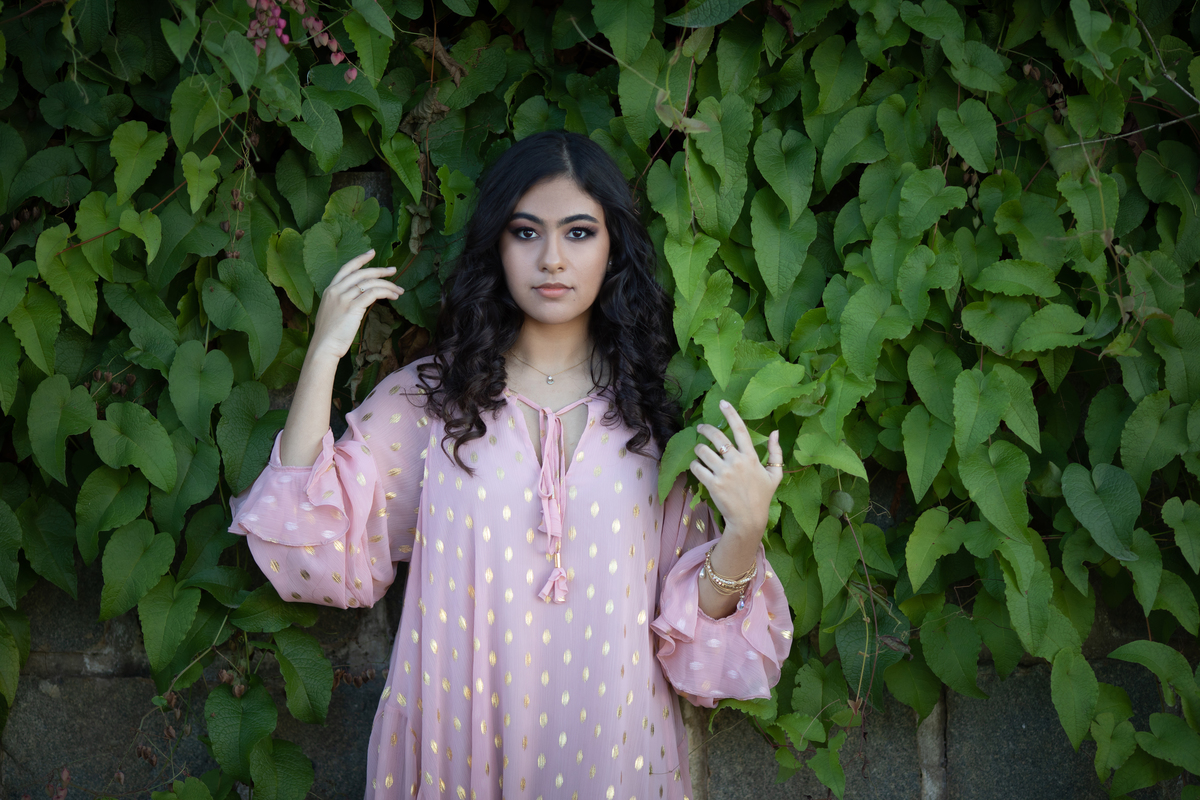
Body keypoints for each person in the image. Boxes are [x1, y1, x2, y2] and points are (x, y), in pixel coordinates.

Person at [229, 131, 793, 800]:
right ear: (497, 246)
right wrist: (323, 354)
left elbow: (698, 649)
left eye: (579, 233)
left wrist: (745, 531)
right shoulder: (432, 403)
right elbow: (304, 541)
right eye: (526, 233)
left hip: (612, 758)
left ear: (613, 246)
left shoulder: (652, 418)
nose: (552, 258)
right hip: (460, 751)